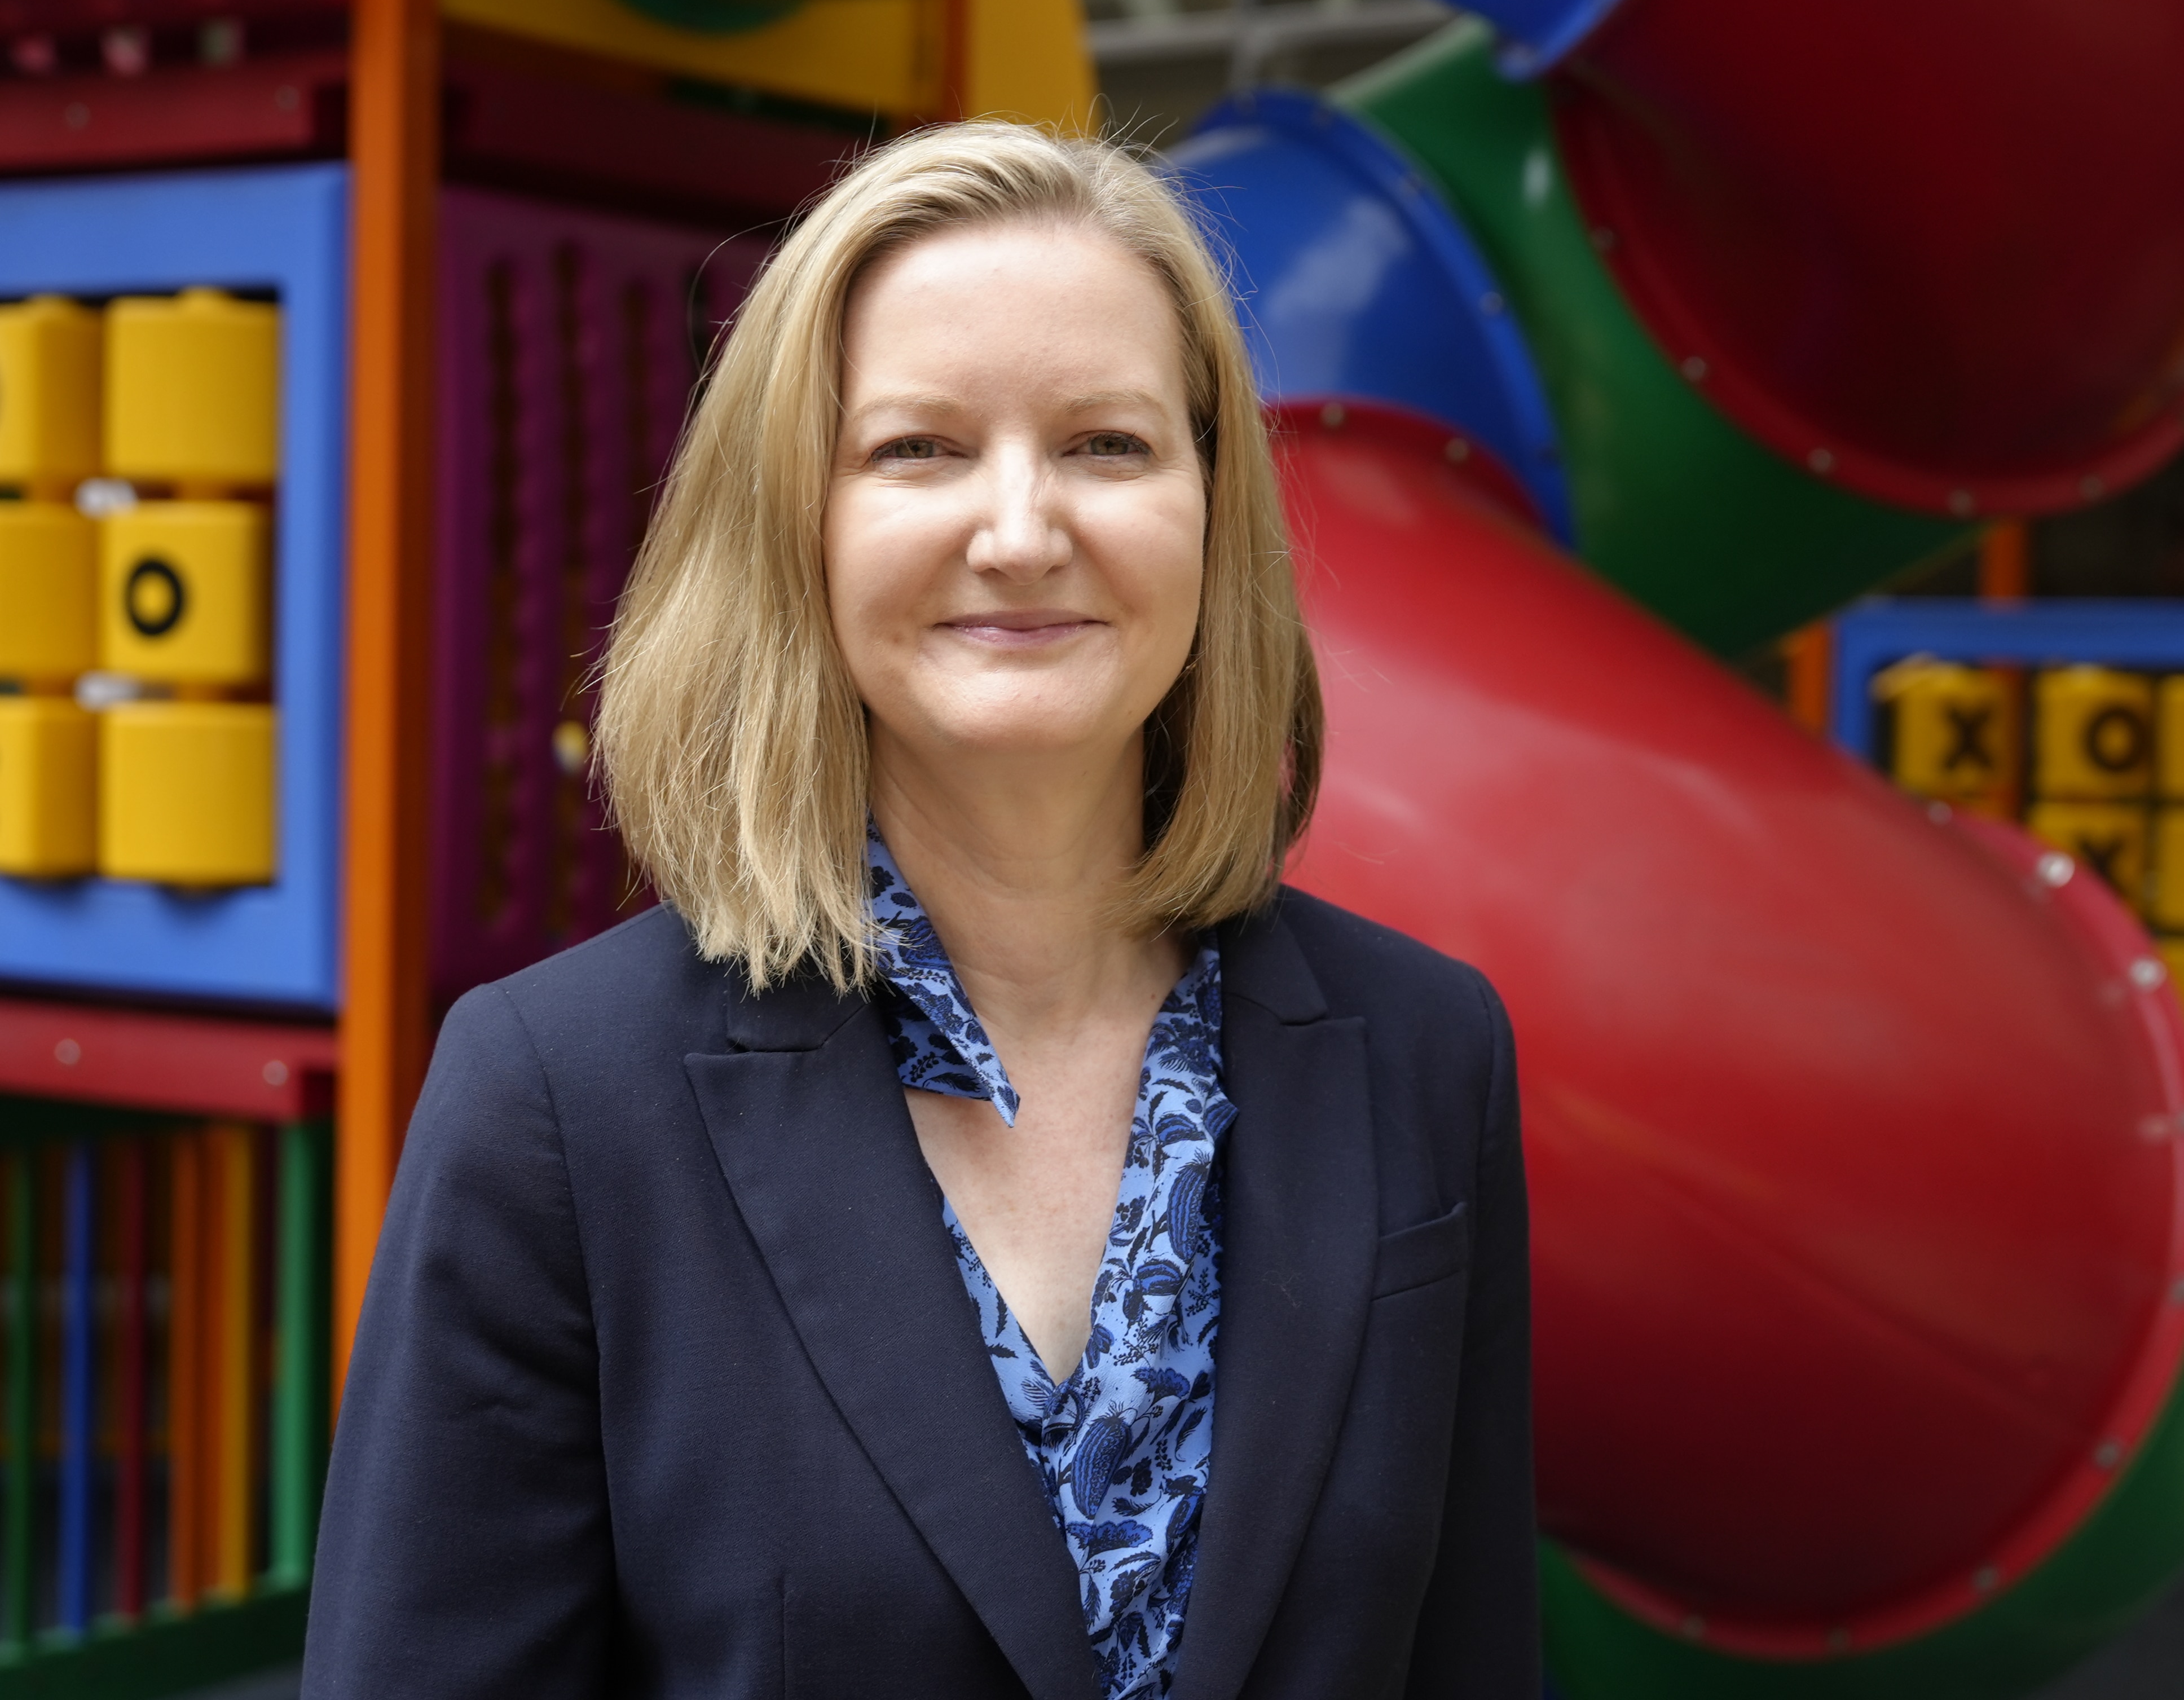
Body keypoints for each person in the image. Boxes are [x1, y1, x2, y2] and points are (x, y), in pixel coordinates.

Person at [302, 121, 1535, 1699]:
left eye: (1106, 444)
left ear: (1215, 511)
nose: (1021, 533)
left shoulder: (1426, 1055)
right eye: (918, 450)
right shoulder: (555, 1097)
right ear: (793, 527)